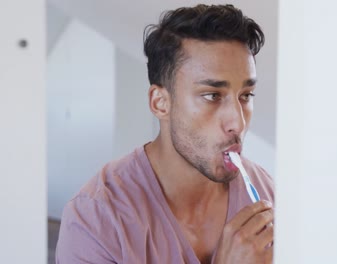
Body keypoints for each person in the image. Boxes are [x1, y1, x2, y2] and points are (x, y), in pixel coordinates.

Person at [56, 4, 274, 264]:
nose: (237, 123)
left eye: (246, 96)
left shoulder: (266, 194)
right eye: (212, 96)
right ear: (160, 103)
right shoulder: (96, 219)